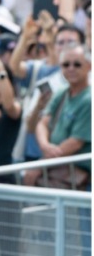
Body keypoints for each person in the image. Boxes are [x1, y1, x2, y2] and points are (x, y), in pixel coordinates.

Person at [25, 44, 91, 189]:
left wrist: (43, 162)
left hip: (82, 178)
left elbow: (75, 142)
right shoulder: (62, 92)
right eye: (66, 64)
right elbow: (42, 123)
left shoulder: (89, 99)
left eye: (77, 64)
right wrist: (45, 146)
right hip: (57, 167)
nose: (71, 68)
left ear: (89, 66)